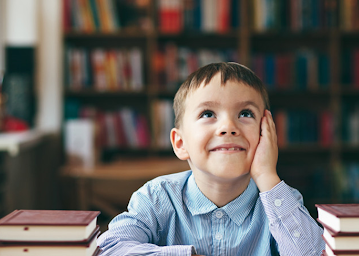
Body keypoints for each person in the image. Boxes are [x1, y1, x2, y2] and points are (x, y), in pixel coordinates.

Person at [97, 62, 325, 255]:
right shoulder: (156, 198)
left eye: (245, 114)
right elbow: (111, 247)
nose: (228, 127)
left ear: (267, 133)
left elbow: (313, 252)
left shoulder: (279, 201)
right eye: (208, 114)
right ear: (180, 143)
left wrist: (267, 175)